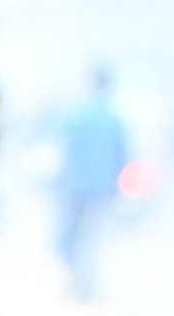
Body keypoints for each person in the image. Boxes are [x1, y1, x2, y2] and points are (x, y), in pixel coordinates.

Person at [48, 68, 139, 297]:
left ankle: (74, 279)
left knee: (72, 235)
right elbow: (123, 156)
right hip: (102, 188)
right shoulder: (114, 119)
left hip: (75, 185)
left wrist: (60, 181)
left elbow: (65, 152)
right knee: (92, 236)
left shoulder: (77, 116)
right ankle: (86, 283)